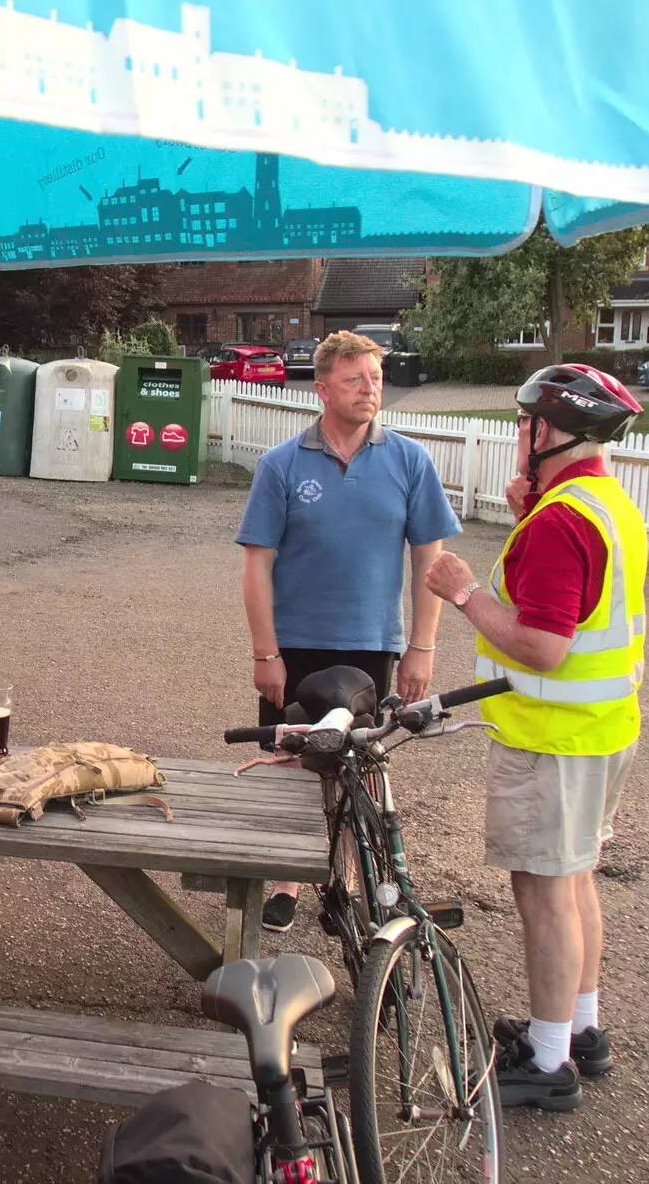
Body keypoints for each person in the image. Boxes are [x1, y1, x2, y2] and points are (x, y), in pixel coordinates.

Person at [425, 364, 646, 1112]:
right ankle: (580, 1030)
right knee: (574, 877)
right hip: (600, 729)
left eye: (524, 423)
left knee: (544, 889)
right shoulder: (601, 502)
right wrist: (531, 509)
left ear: (545, 432)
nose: (519, 434)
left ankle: (549, 1063)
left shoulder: (561, 523)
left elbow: (544, 644)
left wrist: (463, 591)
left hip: (554, 739)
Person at [235, 330, 461, 932]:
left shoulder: (409, 460)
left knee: (359, 763)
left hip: (371, 642)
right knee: (291, 758)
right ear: (323, 387)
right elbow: (257, 565)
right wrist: (266, 652)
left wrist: (422, 645)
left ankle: (346, 881)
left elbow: (430, 562)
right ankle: (286, 880)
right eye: (355, 379)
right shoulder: (282, 464)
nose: (370, 390)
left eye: (376, 379)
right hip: (297, 642)